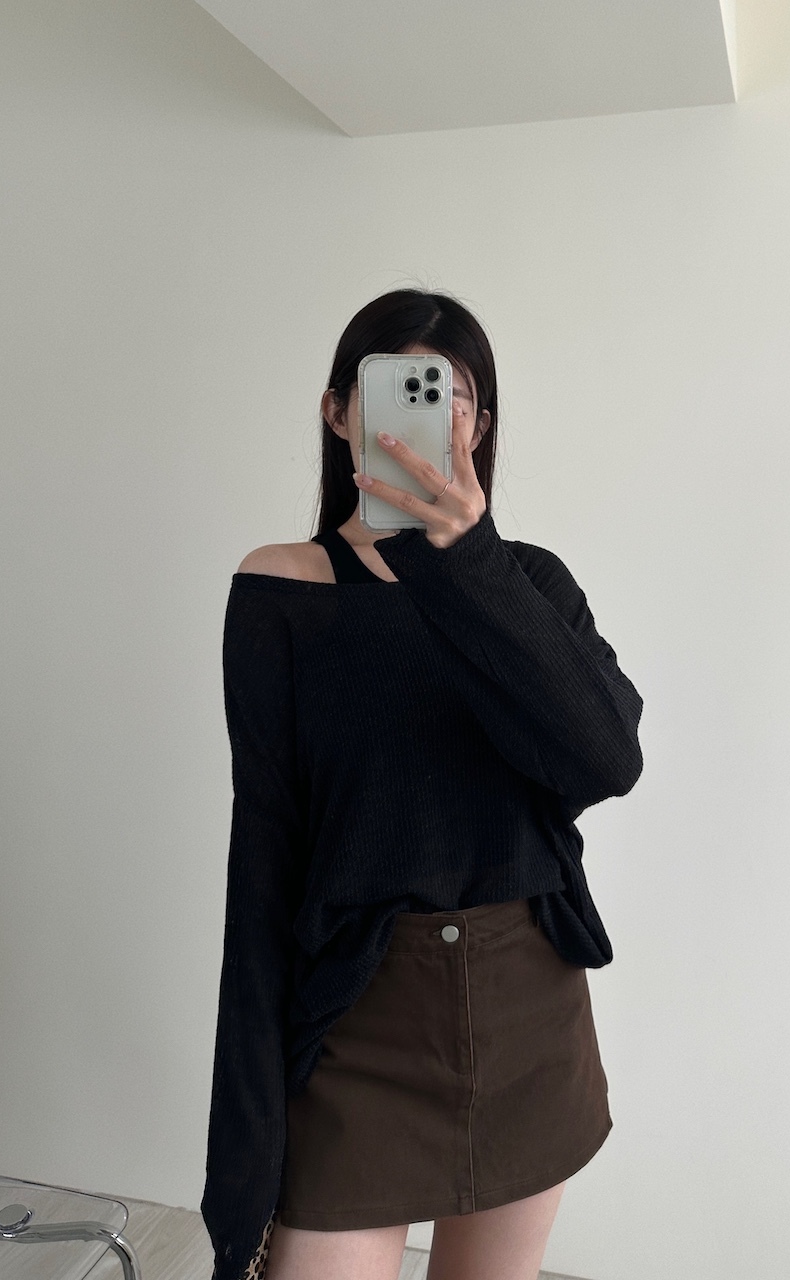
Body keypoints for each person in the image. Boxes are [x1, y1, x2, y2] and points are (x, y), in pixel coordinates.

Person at [201, 289, 644, 1280]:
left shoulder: (529, 584)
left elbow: (606, 758)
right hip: (358, 1017)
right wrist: (245, 1139)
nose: (429, 418)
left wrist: (467, 561)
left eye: (454, 397)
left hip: (527, 1010)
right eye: (395, 390)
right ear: (337, 412)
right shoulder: (282, 587)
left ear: (478, 427)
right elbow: (265, 850)